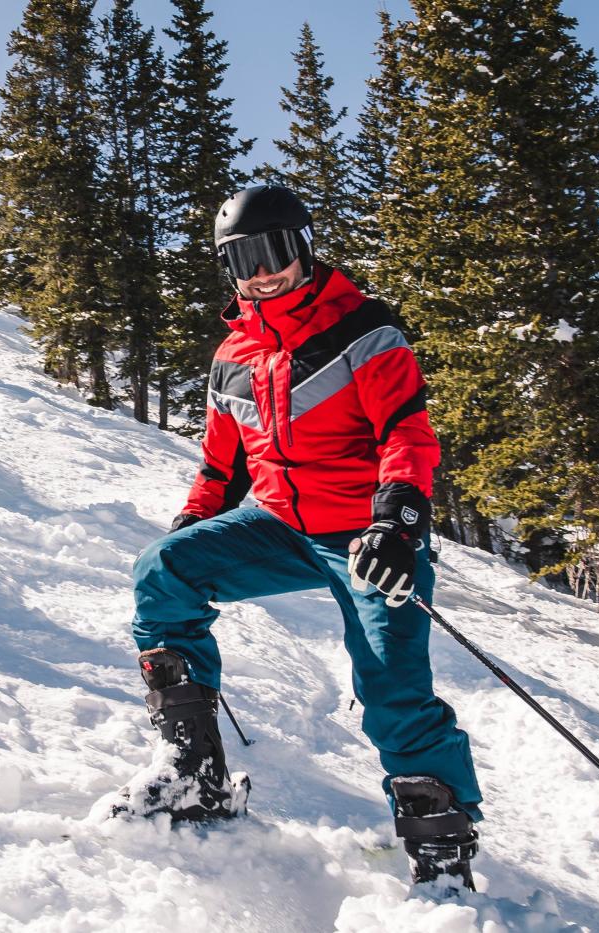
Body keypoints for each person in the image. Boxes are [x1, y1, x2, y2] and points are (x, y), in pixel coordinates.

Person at [104, 185, 483, 890]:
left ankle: (442, 854)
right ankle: (195, 773)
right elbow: (222, 465)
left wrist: (397, 520)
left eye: (273, 251)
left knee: (390, 682)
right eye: (243, 258)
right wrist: (192, 528)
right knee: (164, 570)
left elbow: (406, 432)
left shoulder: (363, 330)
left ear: (304, 247)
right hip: (277, 525)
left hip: (367, 535)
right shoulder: (233, 356)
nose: (261, 270)